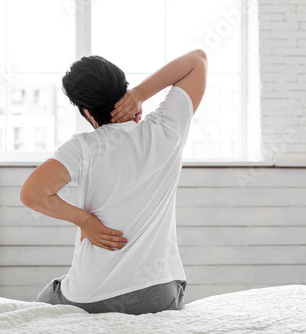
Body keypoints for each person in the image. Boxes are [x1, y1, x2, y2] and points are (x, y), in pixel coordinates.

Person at [20, 49, 208, 314]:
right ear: (123, 88)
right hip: (154, 295)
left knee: (42, 304)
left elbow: (32, 194)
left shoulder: (82, 147)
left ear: (85, 110)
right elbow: (197, 60)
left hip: (87, 296)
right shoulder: (166, 129)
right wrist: (140, 95)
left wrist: (86, 221)